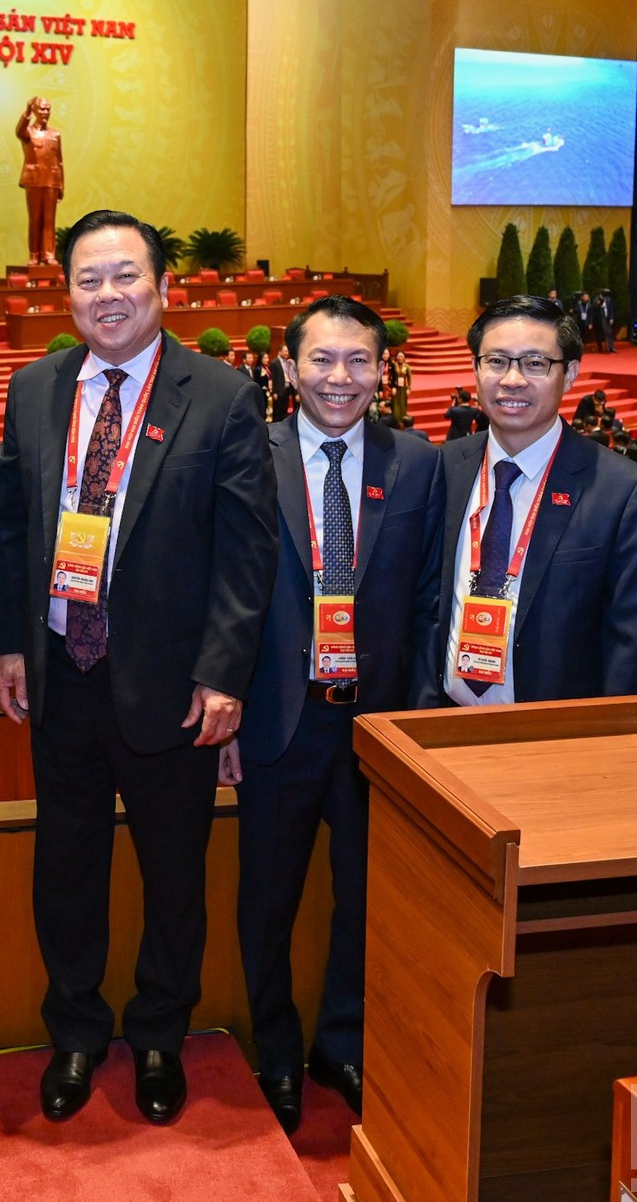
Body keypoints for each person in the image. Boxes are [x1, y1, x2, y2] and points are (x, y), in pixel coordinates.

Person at [0, 208, 275, 1127]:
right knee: (65, 866)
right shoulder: (35, 388)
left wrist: (224, 674)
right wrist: (5, 642)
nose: (106, 295)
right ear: (64, 291)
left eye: (125, 278)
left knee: (172, 873)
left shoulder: (223, 394)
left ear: (164, 288)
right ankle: (75, 1031)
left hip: (172, 685)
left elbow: (246, 552)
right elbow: (7, 528)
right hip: (61, 675)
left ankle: (158, 1033)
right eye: (88, 279)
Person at [231, 296, 443, 1136]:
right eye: (322, 360)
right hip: (275, 722)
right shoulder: (248, 452)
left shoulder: (421, 462)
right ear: (288, 369)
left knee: (365, 899)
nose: (341, 378)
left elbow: (429, 599)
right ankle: (275, 1052)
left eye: (359, 361)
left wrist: (420, 719)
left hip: (377, 728)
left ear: (382, 370)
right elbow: (225, 592)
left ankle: (341, 1042)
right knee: (268, 900)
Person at [433, 296, 637, 705]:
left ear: (570, 373)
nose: (513, 380)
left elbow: (629, 641)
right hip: (440, 722)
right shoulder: (444, 467)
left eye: (535, 364)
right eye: (497, 361)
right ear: (476, 369)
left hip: (552, 735)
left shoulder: (622, 491)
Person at [16, 97, 65, 265]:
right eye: (42, 109)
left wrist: (61, 185)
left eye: (48, 109)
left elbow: (59, 161)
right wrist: (27, 112)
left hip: (51, 181)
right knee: (35, 218)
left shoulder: (55, 134)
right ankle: (34, 255)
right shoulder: (28, 132)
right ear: (36, 111)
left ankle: (49, 255)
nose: (45, 112)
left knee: (50, 220)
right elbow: (18, 131)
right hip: (34, 180)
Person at [268, 342, 296, 421]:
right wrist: (274, 392)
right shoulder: (274, 362)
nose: (287, 353)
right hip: (278, 391)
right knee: (278, 411)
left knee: (285, 409)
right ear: (280, 352)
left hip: (286, 389)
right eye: (285, 351)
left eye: (287, 351)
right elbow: (272, 378)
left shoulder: (287, 362)